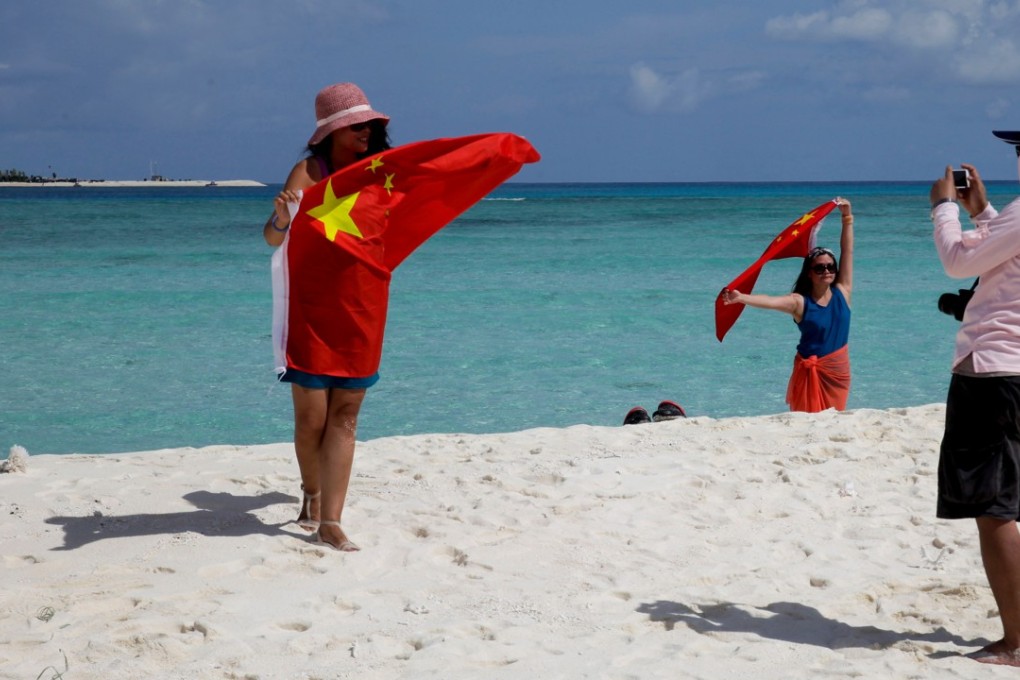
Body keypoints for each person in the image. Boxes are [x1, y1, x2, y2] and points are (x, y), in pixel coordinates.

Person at [263, 83, 391, 552]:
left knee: (347, 414)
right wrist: (280, 218)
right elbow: (273, 239)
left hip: (363, 304)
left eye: (371, 125)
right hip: (313, 308)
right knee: (311, 418)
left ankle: (331, 521)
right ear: (333, 132)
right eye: (358, 125)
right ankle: (311, 493)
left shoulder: (382, 173)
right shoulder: (310, 171)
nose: (367, 132)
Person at [930, 130, 1020, 666]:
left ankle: (1016, 642)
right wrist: (983, 212)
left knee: (995, 509)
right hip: (1012, 370)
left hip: (994, 370)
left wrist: (945, 208)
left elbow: (958, 264)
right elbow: (1004, 264)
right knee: (1006, 502)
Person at [720, 198, 854, 412]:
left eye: (830, 266)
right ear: (809, 273)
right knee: (809, 422)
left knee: (837, 415)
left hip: (838, 370)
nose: (827, 271)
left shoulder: (843, 291)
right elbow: (771, 301)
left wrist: (847, 218)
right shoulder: (799, 302)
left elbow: (847, 252)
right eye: (819, 268)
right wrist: (742, 298)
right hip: (810, 369)